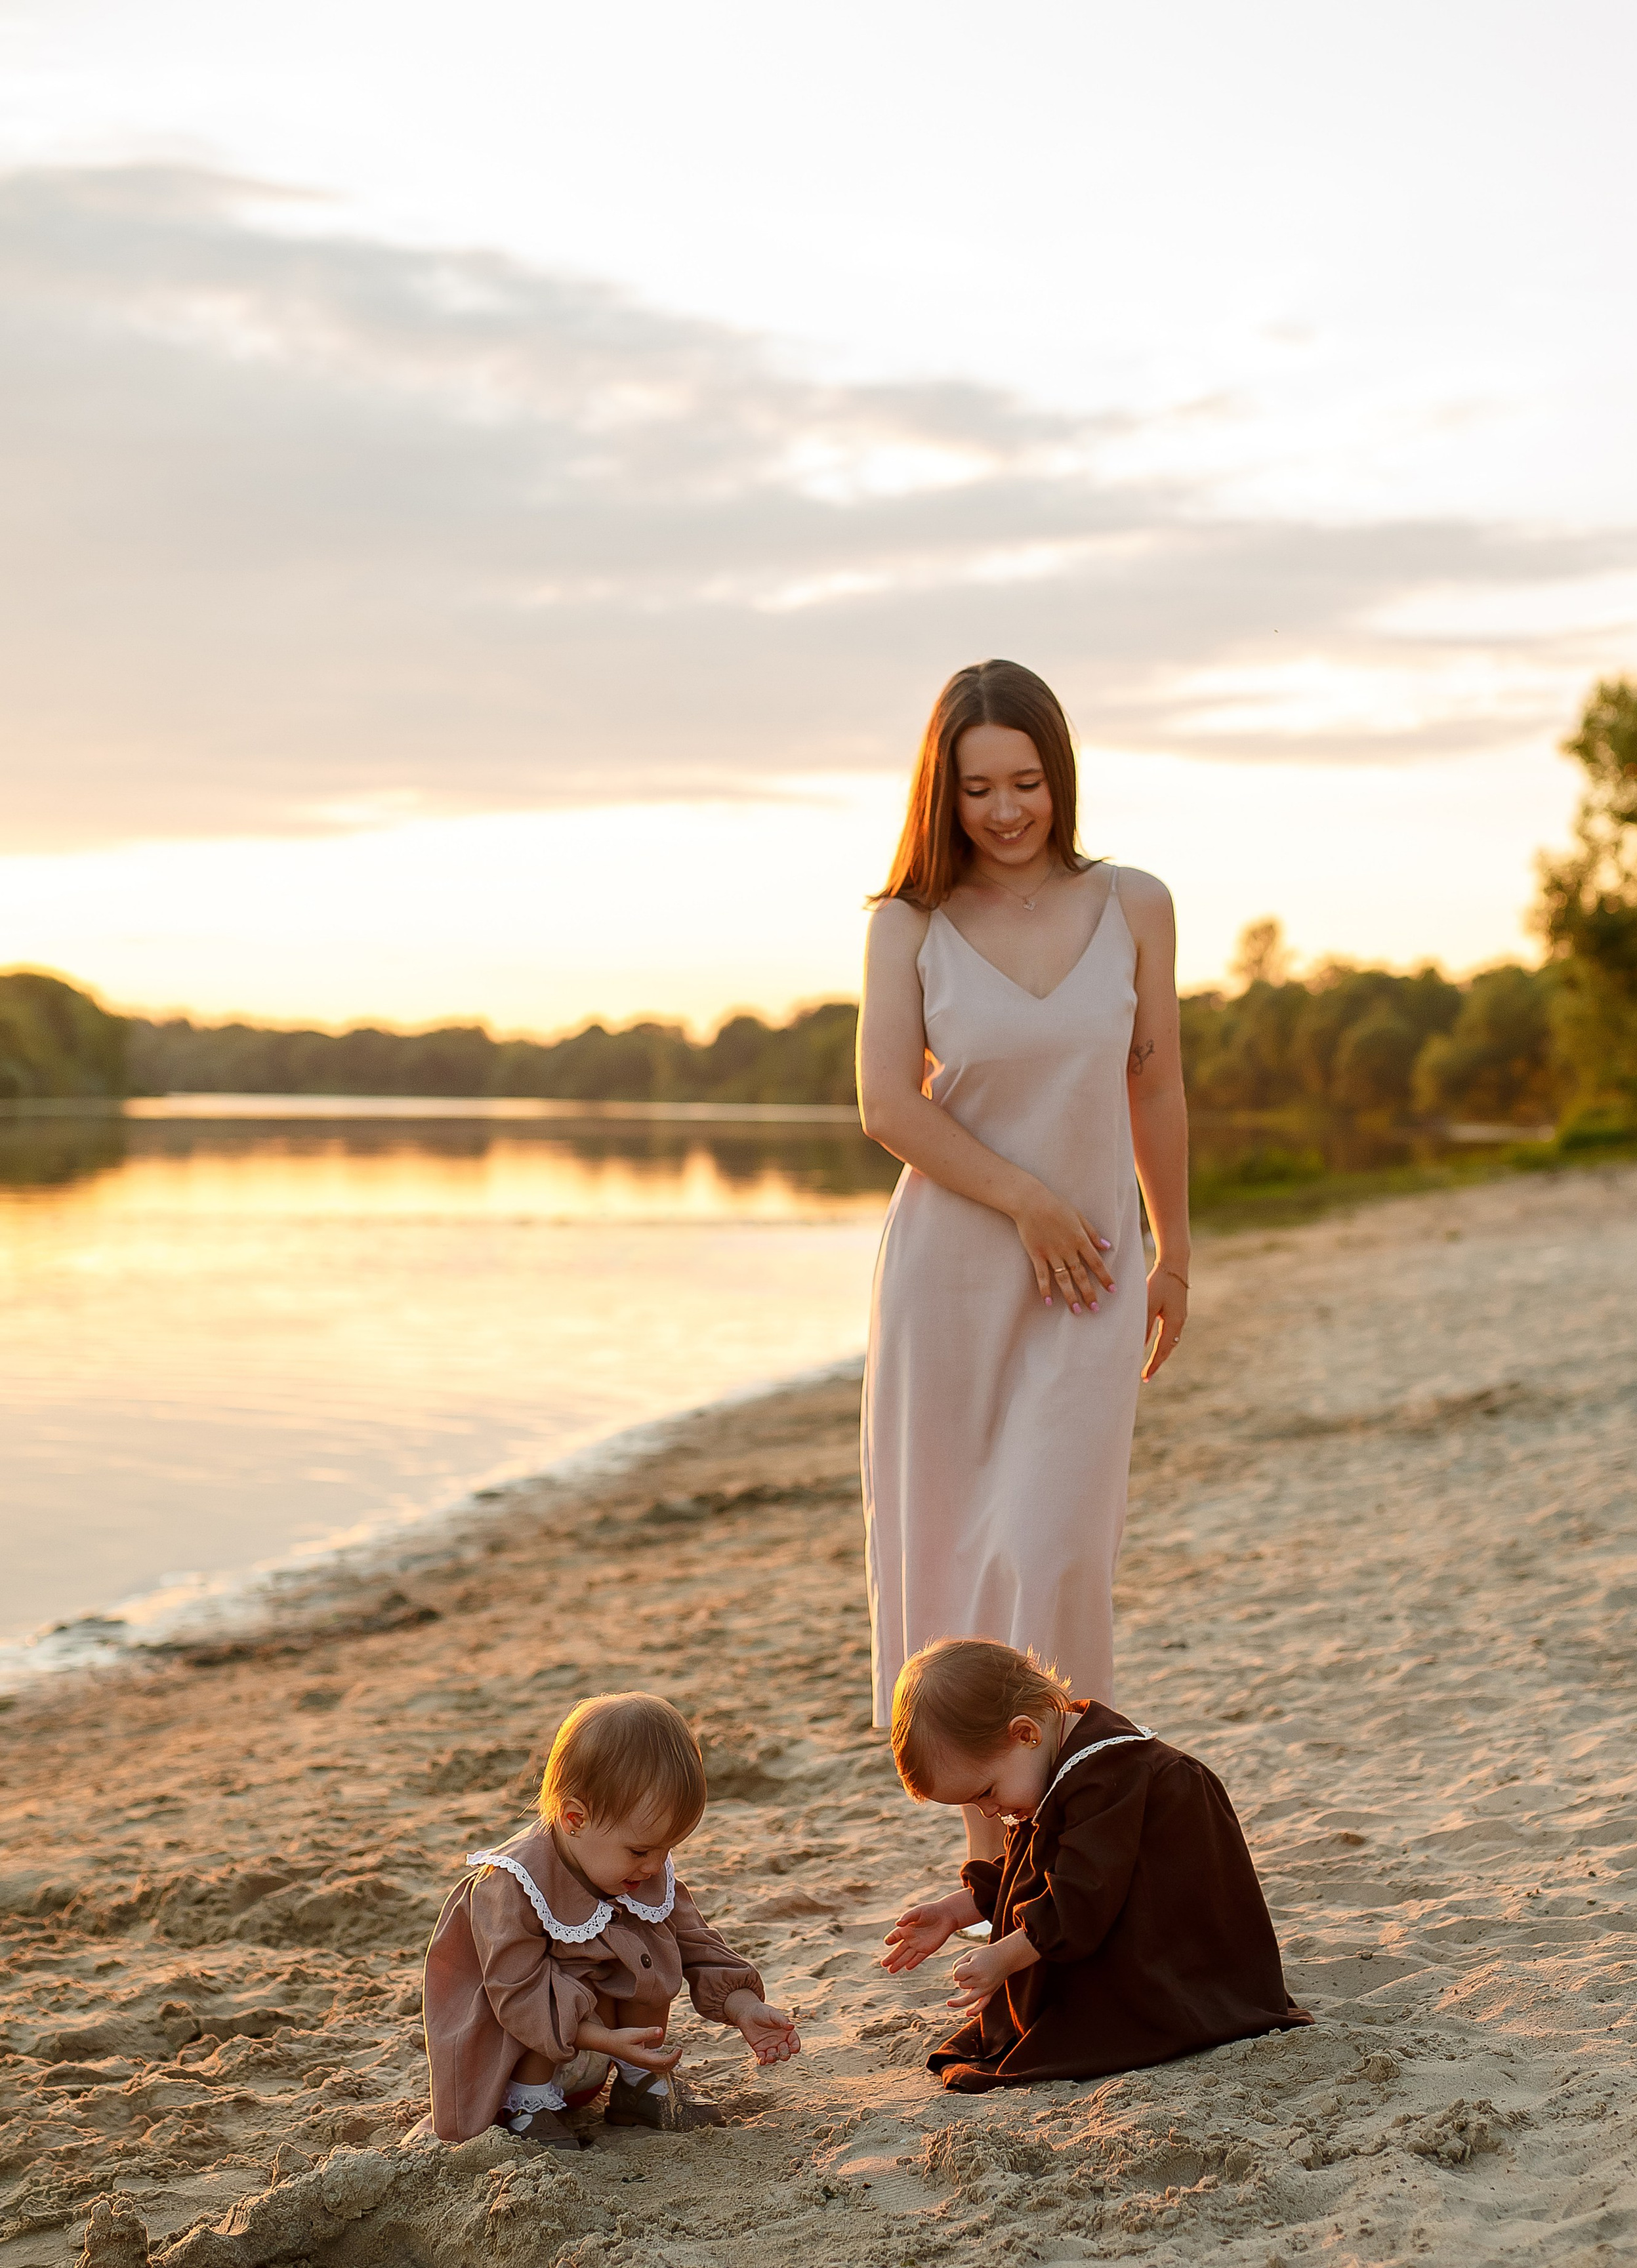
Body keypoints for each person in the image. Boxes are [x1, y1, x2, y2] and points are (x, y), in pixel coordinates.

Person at [857, 659, 1190, 1868]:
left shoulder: (1137, 903)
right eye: (979, 788)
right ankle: (993, 1870)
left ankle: (1077, 1837)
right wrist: (1026, 1200)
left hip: (1093, 1276)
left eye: (1028, 784)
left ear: (1062, 779)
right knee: (949, 1563)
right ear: (942, 795)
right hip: (950, 1279)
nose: (1005, 812)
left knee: (1051, 1557)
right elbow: (888, 1105)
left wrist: (1177, 1252)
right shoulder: (909, 926)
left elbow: (1154, 1081)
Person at [880, 1638, 1309, 2091]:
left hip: (1181, 1973)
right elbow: (1038, 1864)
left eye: (985, 1792)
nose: (988, 1811)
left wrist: (1005, 1956)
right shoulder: (1056, 1762)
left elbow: (1079, 1899)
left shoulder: (1111, 1775)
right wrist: (956, 1910)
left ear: (1025, 1733)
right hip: (1125, 1929)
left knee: (1063, 2037)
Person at [423, 1693, 798, 2146]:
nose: (653, 1865)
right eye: (641, 1850)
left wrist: (744, 2008)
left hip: (611, 2050)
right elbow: (517, 1995)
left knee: (650, 1950)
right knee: (549, 1980)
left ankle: (642, 2087)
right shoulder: (510, 1885)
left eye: (667, 1848)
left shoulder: (639, 1869)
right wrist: (603, 2040)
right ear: (575, 1818)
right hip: (517, 2063)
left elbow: (695, 1943)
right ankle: (531, 2113)